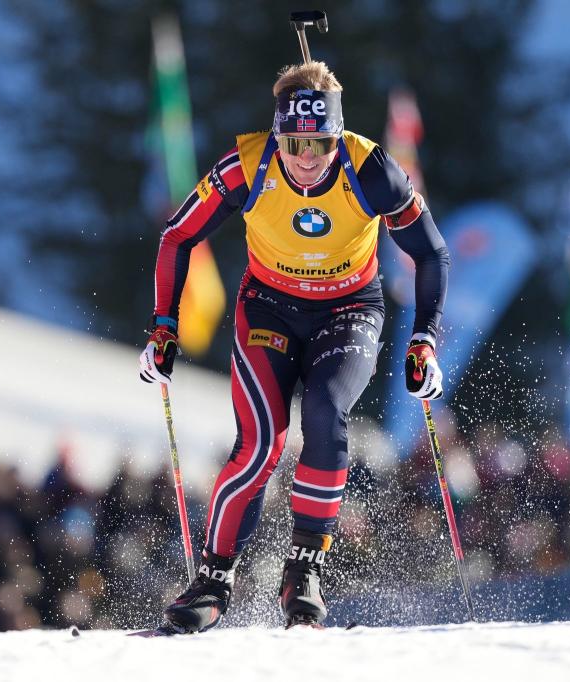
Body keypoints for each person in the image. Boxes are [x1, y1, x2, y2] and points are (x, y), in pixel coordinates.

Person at [139, 61, 450, 631]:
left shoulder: (374, 169)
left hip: (349, 309)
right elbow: (178, 234)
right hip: (269, 309)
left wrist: (424, 338)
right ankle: (213, 579)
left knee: (328, 415)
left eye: (320, 144)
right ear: (279, 136)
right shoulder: (248, 165)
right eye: (294, 144)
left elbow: (431, 254)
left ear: (338, 137)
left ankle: (302, 570)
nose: (306, 158)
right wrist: (164, 327)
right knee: (261, 445)